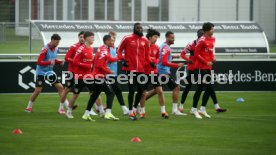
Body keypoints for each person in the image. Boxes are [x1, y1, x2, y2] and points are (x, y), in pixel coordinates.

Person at [179, 29, 227, 113]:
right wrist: (188, 59)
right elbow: (182, 54)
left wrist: (212, 59)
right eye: (200, 34)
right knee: (188, 87)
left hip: (202, 68)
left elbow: (209, 53)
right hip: (192, 69)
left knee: (205, 87)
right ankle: (182, 105)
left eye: (202, 34)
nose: (202, 35)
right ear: (197, 35)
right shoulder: (191, 44)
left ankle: (202, 107)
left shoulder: (206, 43)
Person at [66, 31, 105, 119]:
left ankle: (102, 111)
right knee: (76, 94)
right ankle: (68, 111)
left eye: (94, 37)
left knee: (95, 93)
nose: (93, 39)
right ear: (87, 38)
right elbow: (75, 62)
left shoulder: (91, 49)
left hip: (89, 75)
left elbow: (90, 61)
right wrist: (88, 65)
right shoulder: (80, 49)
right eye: (92, 37)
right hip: (79, 76)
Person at [117, 23, 152, 120]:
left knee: (141, 91)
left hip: (141, 69)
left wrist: (151, 63)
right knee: (132, 90)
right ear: (134, 29)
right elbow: (119, 51)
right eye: (138, 28)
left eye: (141, 28)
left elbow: (147, 55)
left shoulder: (145, 40)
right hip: (130, 69)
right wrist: (123, 60)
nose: (140, 29)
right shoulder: (127, 38)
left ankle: (134, 107)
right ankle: (130, 112)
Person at [25, 34, 65, 113]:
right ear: (52, 40)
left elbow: (53, 59)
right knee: (38, 91)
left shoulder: (55, 49)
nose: (58, 44)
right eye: (57, 42)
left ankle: (61, 108)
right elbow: (39, 62)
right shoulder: (45, 49)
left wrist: (59, 62)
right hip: (41, 72)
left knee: (60, 87)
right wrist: (50, 62)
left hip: (50, 72)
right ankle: (29, 107)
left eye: (58, 42)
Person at [191, 22, 224, 119]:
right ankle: (194, 109)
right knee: (201, 88)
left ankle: (202, 109)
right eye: (211, 29)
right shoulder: (201, 40)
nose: (213, 31)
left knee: (209, 89)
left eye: (213, 29)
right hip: (200, 68)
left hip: (208, 67)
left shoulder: (213, 39)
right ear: (206, 31)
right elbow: (196, 54)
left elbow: (210, 51)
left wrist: (213, 58)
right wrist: (206, 61)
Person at [82, 35, 119, 121]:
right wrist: (108, 71)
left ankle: (86, 114)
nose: (113, 42)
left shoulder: (103, 49)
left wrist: (119, 57)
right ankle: (108, 113)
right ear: (106, 41)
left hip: (96, 75)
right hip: (99, 76)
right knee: (110, 93)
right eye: (111, 40)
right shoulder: (104, 51)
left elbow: (109, 59)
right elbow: (99, 64)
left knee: (94, 95)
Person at [139, 28, 169, 119]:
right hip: (144, 72)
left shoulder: (156, 47)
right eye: (155, 37)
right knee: (143, 94)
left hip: (154, 72)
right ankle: (142, 112)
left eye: (157, 37)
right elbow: (141, 59)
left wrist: (154, 61)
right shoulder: (143, 46)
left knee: (159, 91)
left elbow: (158, 58)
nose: (156, 39)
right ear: (150, 37)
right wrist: (150, 61)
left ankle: (163, 111)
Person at [156, 31, 186, 116]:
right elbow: (164, 62)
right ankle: (175, 110)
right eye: (172, 38)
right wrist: (177, 65)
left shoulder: (163, 46)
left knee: (156, 90)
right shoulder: (166, 48)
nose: (174, 39)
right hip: (163, 72)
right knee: (176, 87)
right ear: (167, 38)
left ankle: (139, 104)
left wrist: (173, 56)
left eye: (174, 37)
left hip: (160, 71)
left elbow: (163, 57)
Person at [107, 31, 129, 115]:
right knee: (111, 92)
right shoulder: (106, 48)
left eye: (115, 37)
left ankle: (124, 109)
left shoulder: (114, 48)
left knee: (117, 91)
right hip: (107, 73)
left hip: (113, 73)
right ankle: (106, 110)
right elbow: (110, 59)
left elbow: (118, 57)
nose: (114, 39)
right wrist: (119, 58)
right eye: (112, 37)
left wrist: (123, 59)